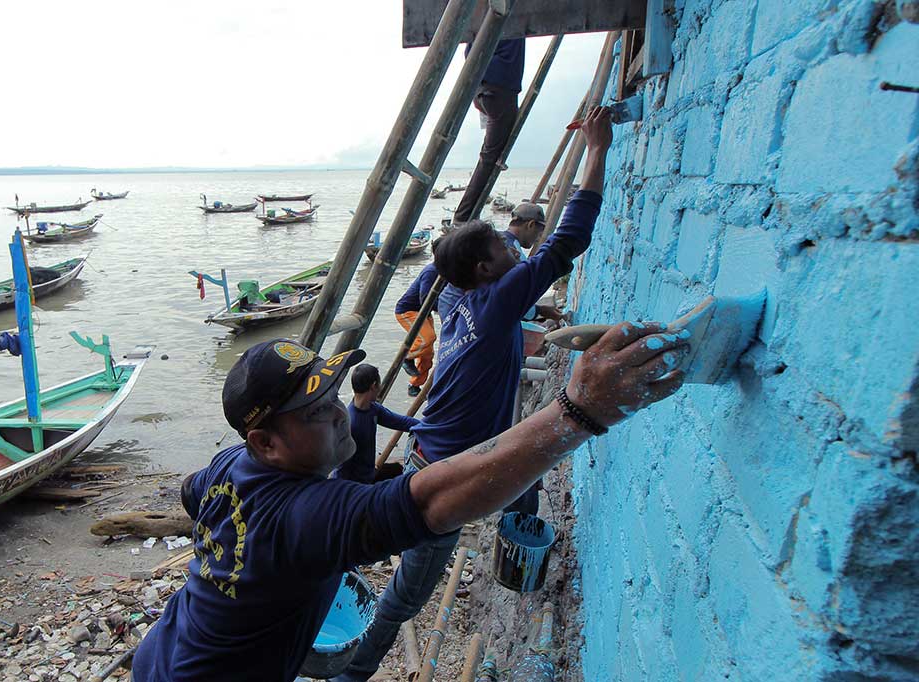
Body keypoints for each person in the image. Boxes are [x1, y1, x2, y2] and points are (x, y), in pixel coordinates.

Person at [132, 322, 688, 681]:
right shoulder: (305, 516)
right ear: (266, 443)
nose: (335, 412)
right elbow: (432, 500)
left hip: (164, 652)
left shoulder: (230, 466)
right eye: (313, 411)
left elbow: (191, 491)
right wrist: (580, 410)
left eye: (332, 393)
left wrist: (239, 564)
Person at [338, 105, 616, 680]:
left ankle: (518, 565)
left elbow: (435, 278)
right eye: (502, 246)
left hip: (441, 445)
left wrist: (466, 249)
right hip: (448, 466)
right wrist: (597, 150)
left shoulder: (453, 294)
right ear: (487, 272)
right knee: (409, 594)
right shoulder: (494, 303)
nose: (515, 246)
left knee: (525, 489)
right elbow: (570, 239)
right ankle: (353, 669)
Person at [453, 38, 525, 226]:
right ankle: (463, 217)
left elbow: (469, 53)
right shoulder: (512, 20)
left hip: (481, 92)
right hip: (500, 93)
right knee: (489, 158)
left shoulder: (481, 22)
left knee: (490, 154)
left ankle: (463, 216)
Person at [334, 363, 420, 483]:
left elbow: (401, 422)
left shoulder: (373, 409)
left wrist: (427, 427)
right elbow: (341, 468)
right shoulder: (350, 424)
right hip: (356, 485)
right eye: (378, 385)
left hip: (369, 475)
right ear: (374, 386)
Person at [394, 239, 442, 397]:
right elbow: (425, 298)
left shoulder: (447, 270)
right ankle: (406, 357)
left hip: (425, 312)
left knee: (427, 354)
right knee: (426, 339)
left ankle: (414, 384)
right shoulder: (431, 271)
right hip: (409, 311)